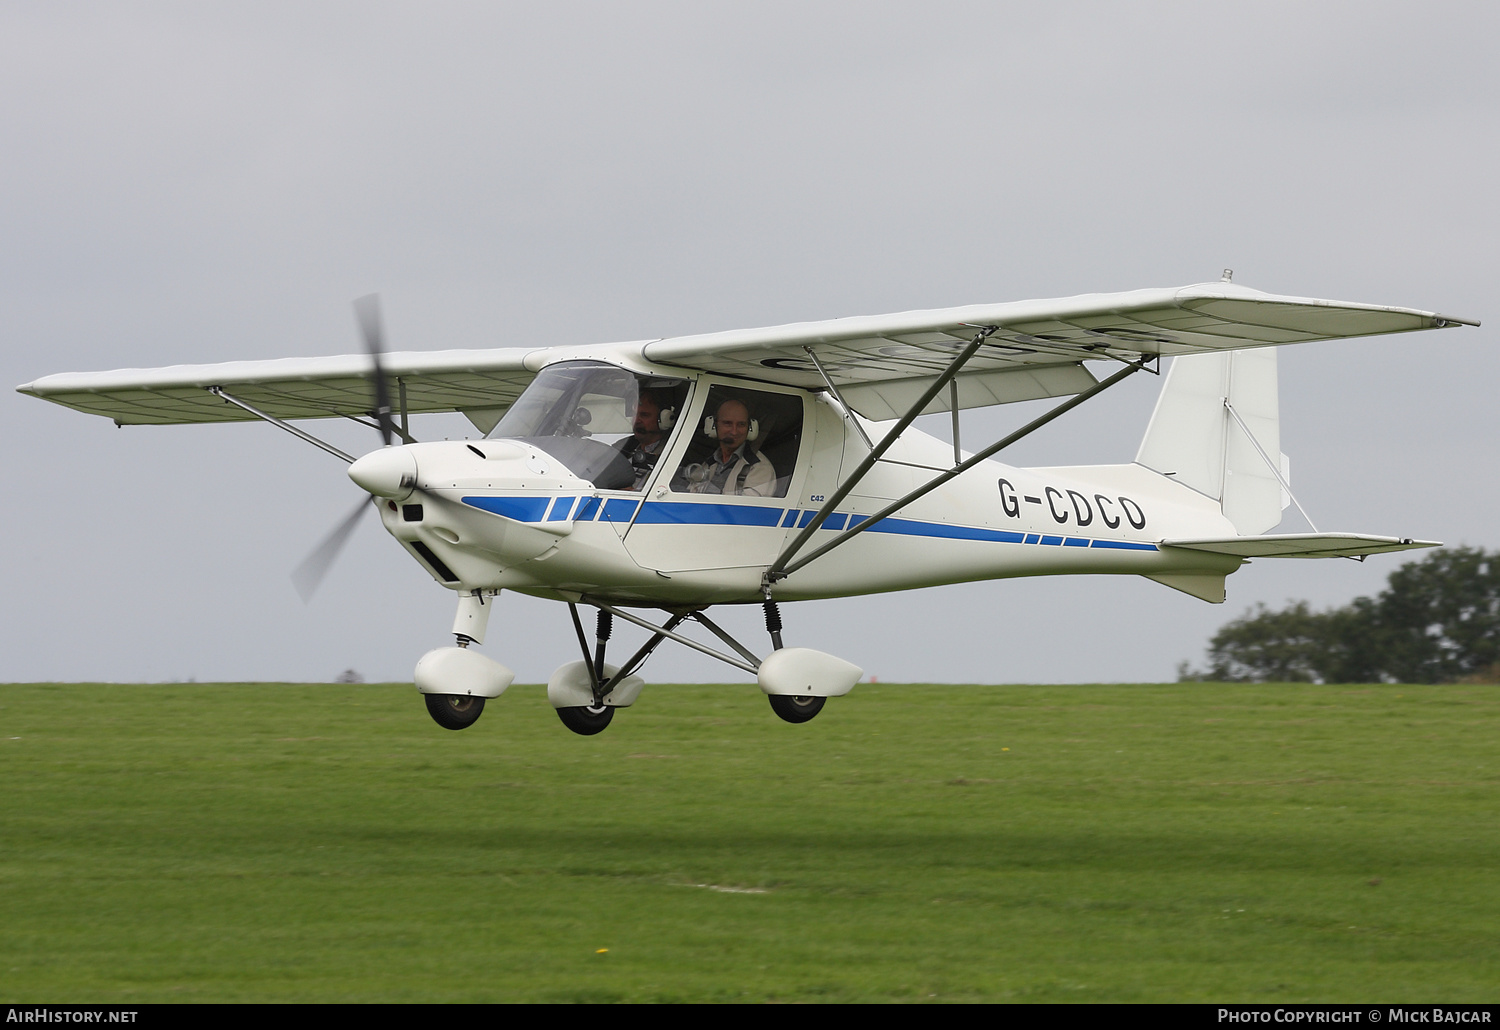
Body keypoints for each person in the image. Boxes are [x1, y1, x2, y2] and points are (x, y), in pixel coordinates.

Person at [676, 397, 777, 496]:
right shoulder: (709, 463)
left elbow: (746, 511)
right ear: (714, 425)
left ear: (750, 428)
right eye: (727, 423)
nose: (734, 431)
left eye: (741, 424)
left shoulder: (760, 468)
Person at [617, 390, 670, 491]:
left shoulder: (672, 453)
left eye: (644, 415)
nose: (636, 420)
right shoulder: (622, 447)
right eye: (634, 414)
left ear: (663, 420)